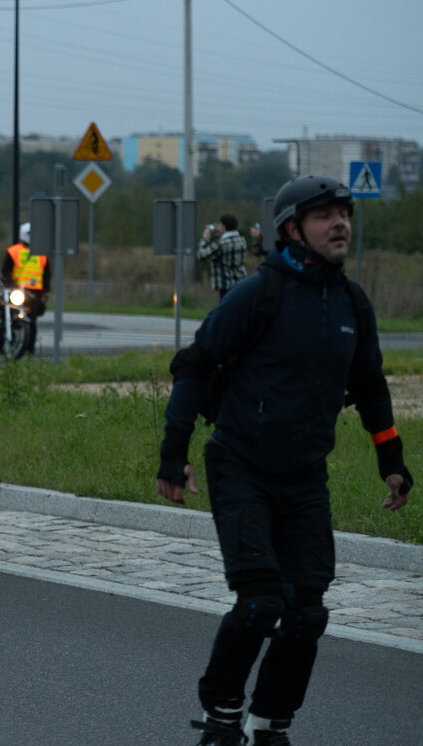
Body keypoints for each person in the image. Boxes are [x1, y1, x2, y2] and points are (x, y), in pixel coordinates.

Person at [156, 175, 413, 746]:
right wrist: (173, 455)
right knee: (260, 603)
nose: (341, 223)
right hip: (240, 465)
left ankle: (269, 723)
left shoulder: (353, 304)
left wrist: (390, 459)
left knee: (307, 613)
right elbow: (194, 365)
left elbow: (370, 387)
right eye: (325, 215)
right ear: (293, 229)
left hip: (304, 480)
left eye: (344, 213)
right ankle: (221, 715)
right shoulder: (259, 294)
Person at [1, 222, 51, 356]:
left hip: (34, 292)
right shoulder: (14, 251)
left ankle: (30, 349)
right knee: (9, 316)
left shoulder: (41, 252)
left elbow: (46, 273)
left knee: (31, 321)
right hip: (16, 290)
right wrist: (10, 284)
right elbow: (6, 271)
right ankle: (7, 343)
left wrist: (46, 290)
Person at [197, 213, 248, 300]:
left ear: (224, 227)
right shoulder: (242, 240)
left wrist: (205, 239)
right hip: (241, 284)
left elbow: (202, 255)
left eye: (220, 225)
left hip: (226, 286)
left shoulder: (221, 243)